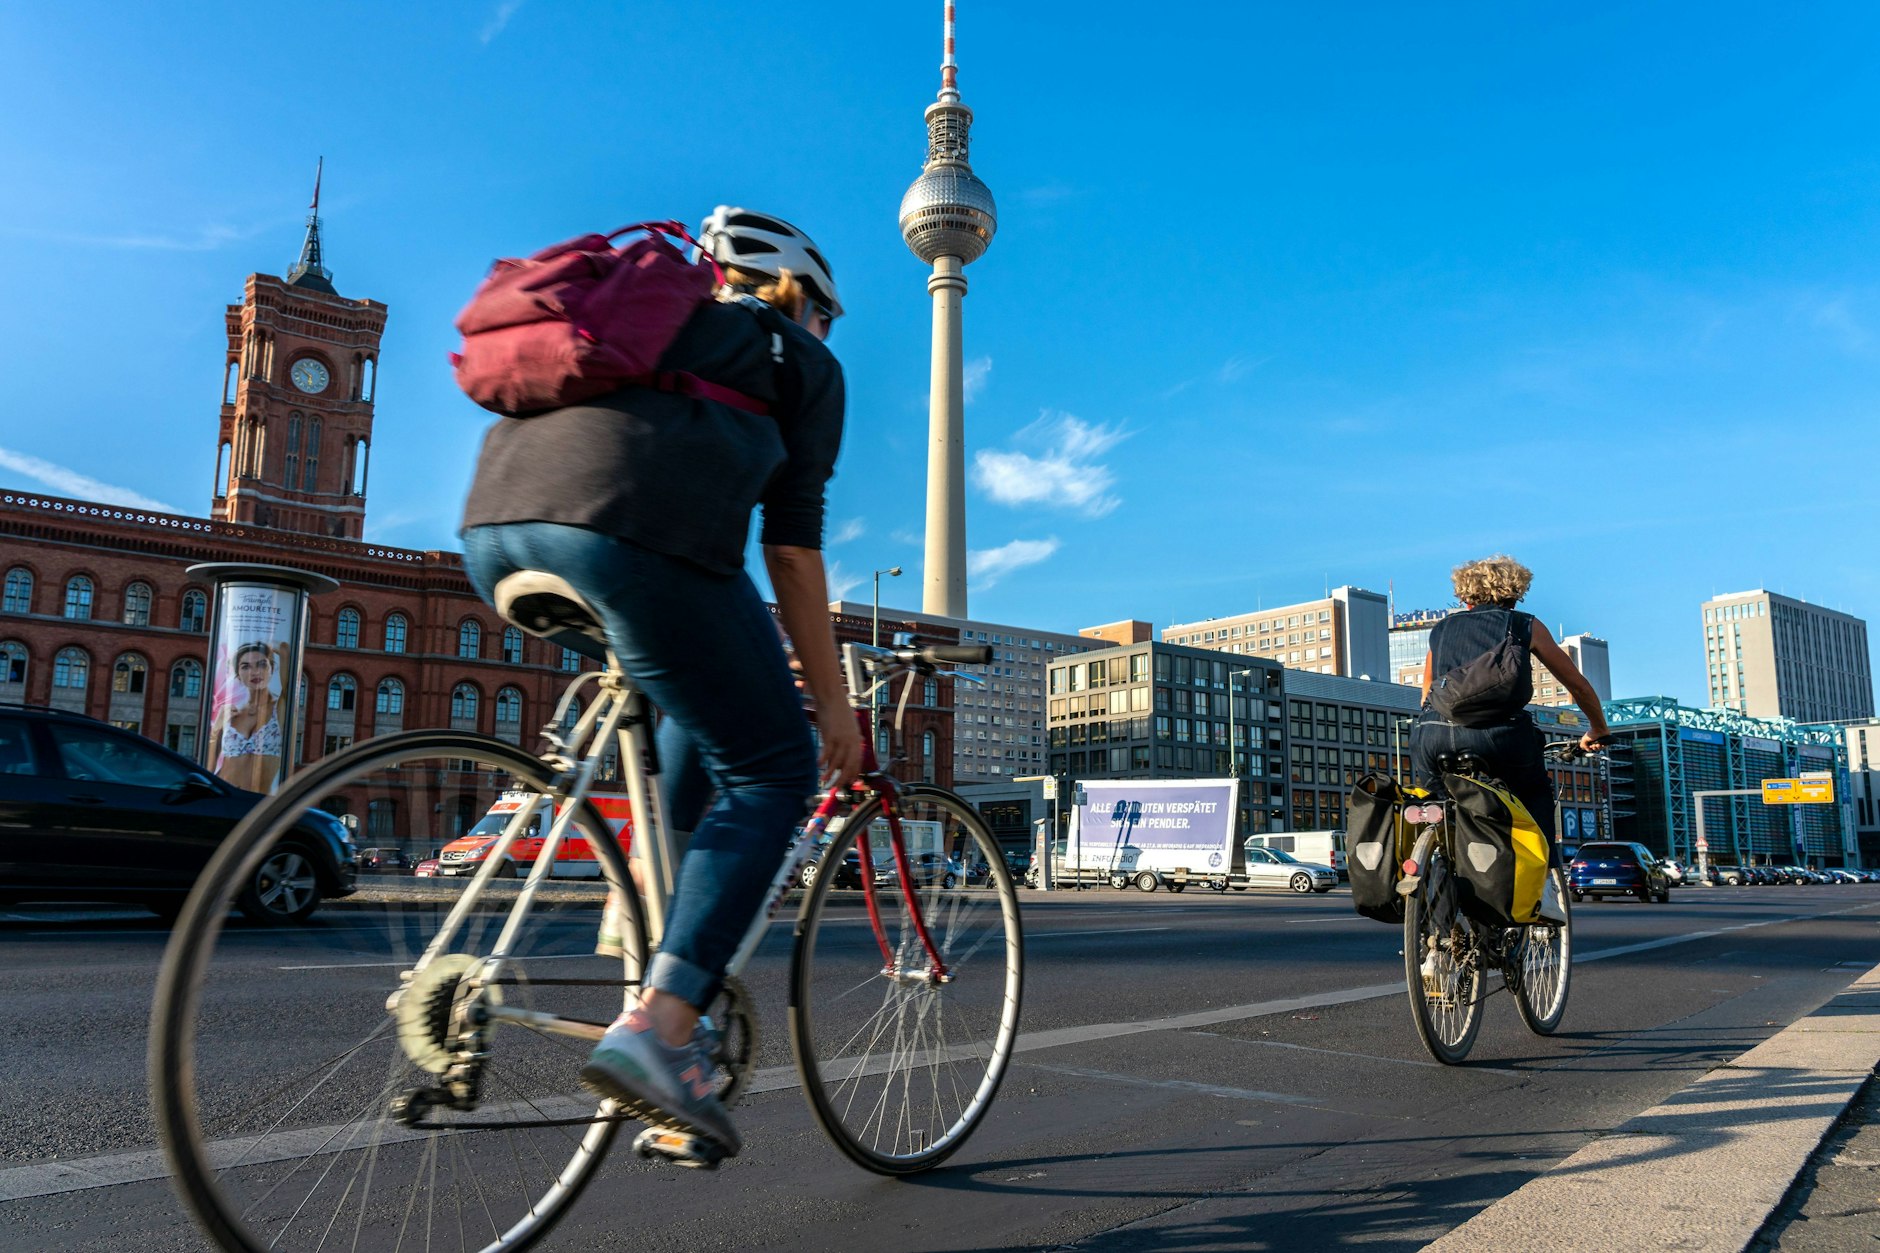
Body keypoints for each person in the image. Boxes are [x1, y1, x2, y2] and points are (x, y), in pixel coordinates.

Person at [459, 206, 860, 1157]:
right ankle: (663, 1028)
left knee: (689, 710)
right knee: (771, 769)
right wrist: (835, 705)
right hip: (629, 536)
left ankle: (643, 935)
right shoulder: (800, 357)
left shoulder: (653, 320)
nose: (828, 333)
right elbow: (791, 553)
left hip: (495, 532)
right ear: (802, 298)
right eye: (827, 315)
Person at [1411, 555, 1611, 848]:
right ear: (1515, 593)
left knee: (1438, 809)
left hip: (1431, 736)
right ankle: (1544, 871)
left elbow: (1426, 694)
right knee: (1534, 796)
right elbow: (1577, 686)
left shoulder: (1441, 629)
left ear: (1465, 596)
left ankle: (1436, 859)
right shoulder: (1523, 624)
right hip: (1500, 737)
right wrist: (1598, 729)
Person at [209, 641, 285, 791]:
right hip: (223, 795)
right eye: (245, 667)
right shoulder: (229, 712)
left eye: (261, 665)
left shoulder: (280, 707)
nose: (254, 672)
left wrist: (277, 647)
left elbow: (286, 652)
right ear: (238, 674)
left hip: (259, 799)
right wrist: (215, 730)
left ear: (272, 668)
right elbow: (208, 770)